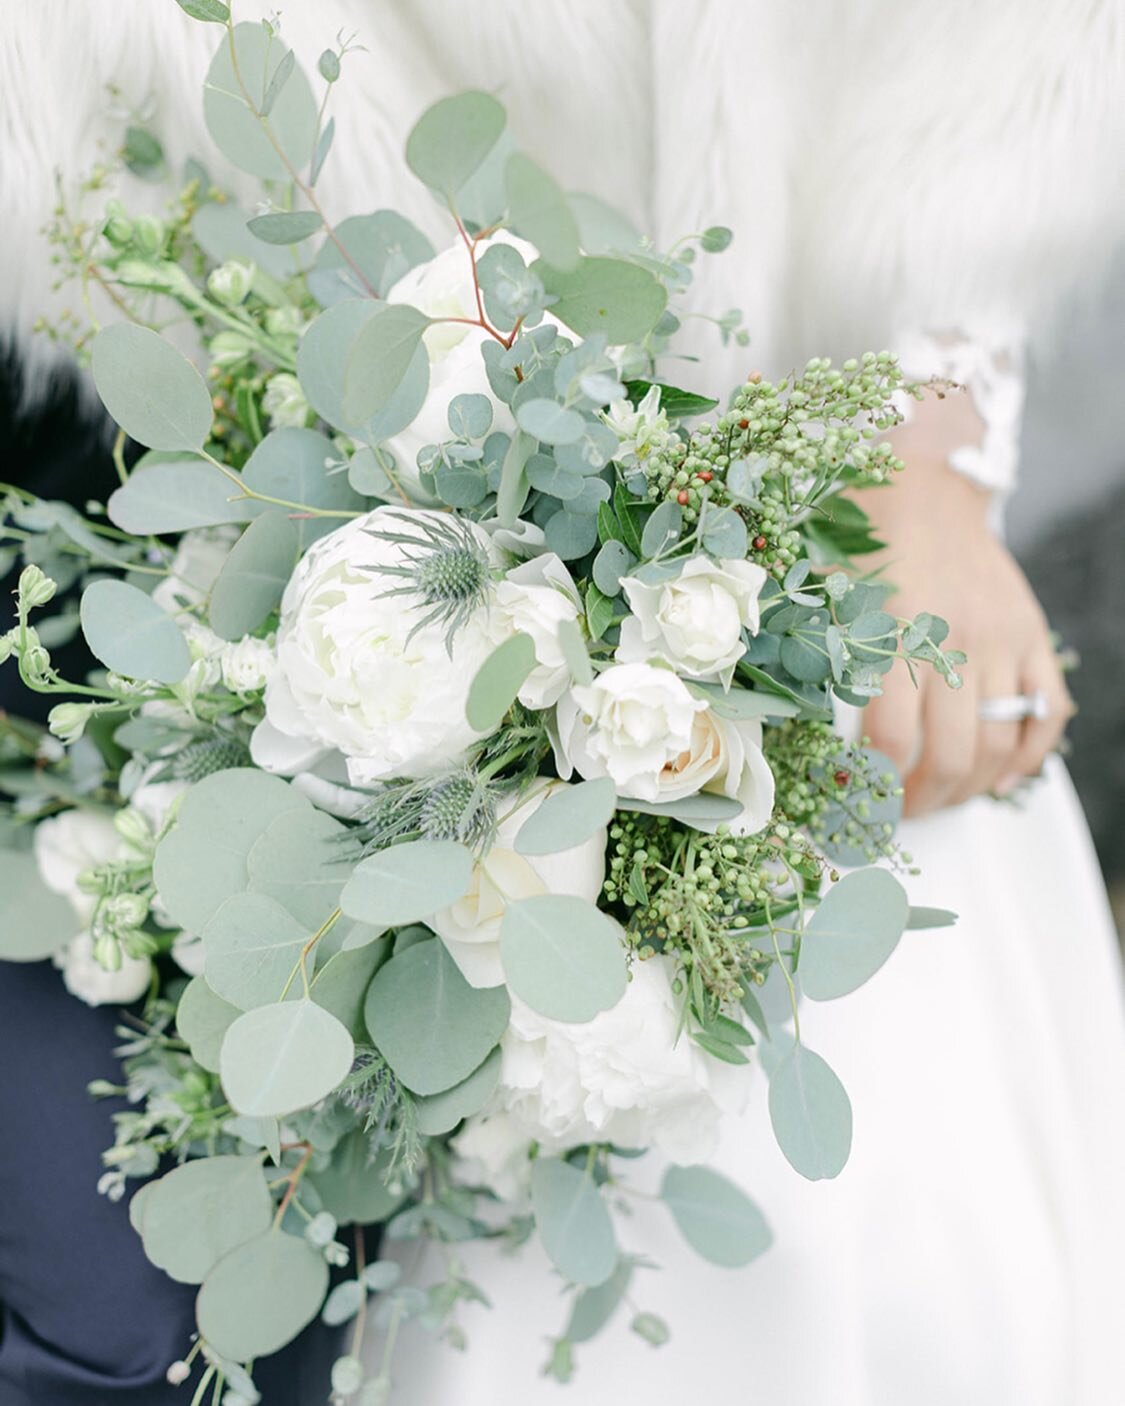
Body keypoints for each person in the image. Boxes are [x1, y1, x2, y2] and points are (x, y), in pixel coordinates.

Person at [2, 2, 1123, 1403]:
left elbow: (998, 64)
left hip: (798, 545)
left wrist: (931, 425)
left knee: (881, 1257)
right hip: (240, 608)